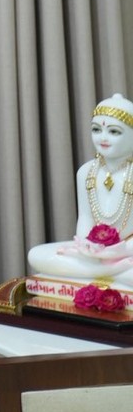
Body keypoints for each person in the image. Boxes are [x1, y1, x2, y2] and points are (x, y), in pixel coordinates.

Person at [28, 93, 133, 284]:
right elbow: (85, 218)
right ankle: (109, 272)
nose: (103, 138)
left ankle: (101, 272)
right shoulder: (86, 172)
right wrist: (87, 245)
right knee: (36, 254)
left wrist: (118, 251)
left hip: (128, 251)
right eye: (96, 130)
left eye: (114, 132)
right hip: (94, 253)